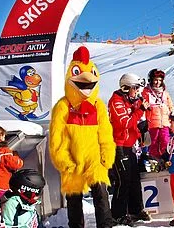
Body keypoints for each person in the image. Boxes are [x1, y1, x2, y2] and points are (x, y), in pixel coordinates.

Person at [49, 46, 116, 228]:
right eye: (78, 73)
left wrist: (106, 156)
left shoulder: (98, 105)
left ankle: (106, 225)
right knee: (74, 201)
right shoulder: (63, 106)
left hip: (94, 160)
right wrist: (65, 161)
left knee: (102, 196)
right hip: (73, 159)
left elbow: (105, 134)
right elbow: (57, 139)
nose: (86, 80)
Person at [108, 73, 151, 226]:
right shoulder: (116, 101)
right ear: (126, 88)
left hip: (130, 145)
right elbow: (124, 123)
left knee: (134, 179)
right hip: (119, 146)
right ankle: (117, 215)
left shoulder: (130, 100)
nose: (138, 92)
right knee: (123, 181)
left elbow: (135, 121)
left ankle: (135, 210)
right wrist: (140, 111)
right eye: (136, 88)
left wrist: (141, 131)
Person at [142, 69, 174, 159]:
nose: (157, 82)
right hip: (152, 124)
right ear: (151, 80)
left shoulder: (165, 93)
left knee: (166, 142)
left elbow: (170, 106)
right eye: (156, 80)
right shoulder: (146, 92)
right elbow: (142, 106)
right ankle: (154, 160)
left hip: (165, 123)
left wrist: (172, 115)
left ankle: (167, 159)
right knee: (154, 143)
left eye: (160, 80)